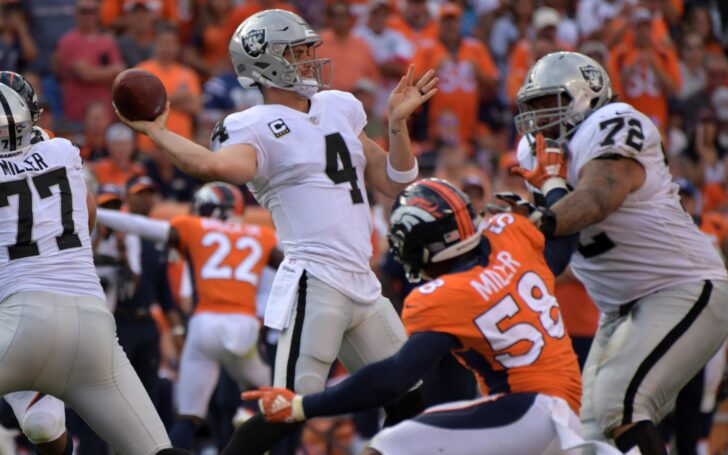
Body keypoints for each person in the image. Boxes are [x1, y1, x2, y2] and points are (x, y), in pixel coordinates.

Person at [114, 9, 437, 454]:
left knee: (410, 400)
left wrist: (398, 126)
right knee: (284, 409)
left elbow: (394, 181)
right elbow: (212, 166)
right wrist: (159, 132)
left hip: (363, 282)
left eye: (309, 50)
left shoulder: (339, 106)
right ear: (263, 61)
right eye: (298, 52)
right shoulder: (254, 125)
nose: (309, 60)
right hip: (317, 280)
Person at [244, 178, 620, 455]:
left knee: (387, 447)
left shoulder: (445, 294)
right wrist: (554, 184)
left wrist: (301, 405)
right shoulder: (511, 237)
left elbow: (394, 377)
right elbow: (562, 241)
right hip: (559, 410)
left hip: (526, 410)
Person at [513, 51, 728, 454]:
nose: (539, 119)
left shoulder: (612, 122)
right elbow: (560, 242)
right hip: (620, 309)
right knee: (586, 434)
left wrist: (536, 222)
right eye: (533, 108)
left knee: (620, 404)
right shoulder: (537, 155)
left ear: (587, 96)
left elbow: (596, 200)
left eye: (548, 104)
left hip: (682, 287)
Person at [0, 84, 188, 455]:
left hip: (20, 325)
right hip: (93, 327)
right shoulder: (62, 150)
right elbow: (87, 219)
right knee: (156, 450)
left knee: (44, 423)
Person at [94, 181, 283, 450]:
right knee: (272, 394)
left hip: (203, 325)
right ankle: (249, 416)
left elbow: (142, 226)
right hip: (243, 325)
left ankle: (238, 420)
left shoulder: (193, 227)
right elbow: (290, 268)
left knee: (188, 415)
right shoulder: (261, 235)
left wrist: (97, 213)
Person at [0, 71, 71, 455]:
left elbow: (85, 217)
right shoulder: (55, 148)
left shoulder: (53, 150)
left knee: (43, 426)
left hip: (33, 302)